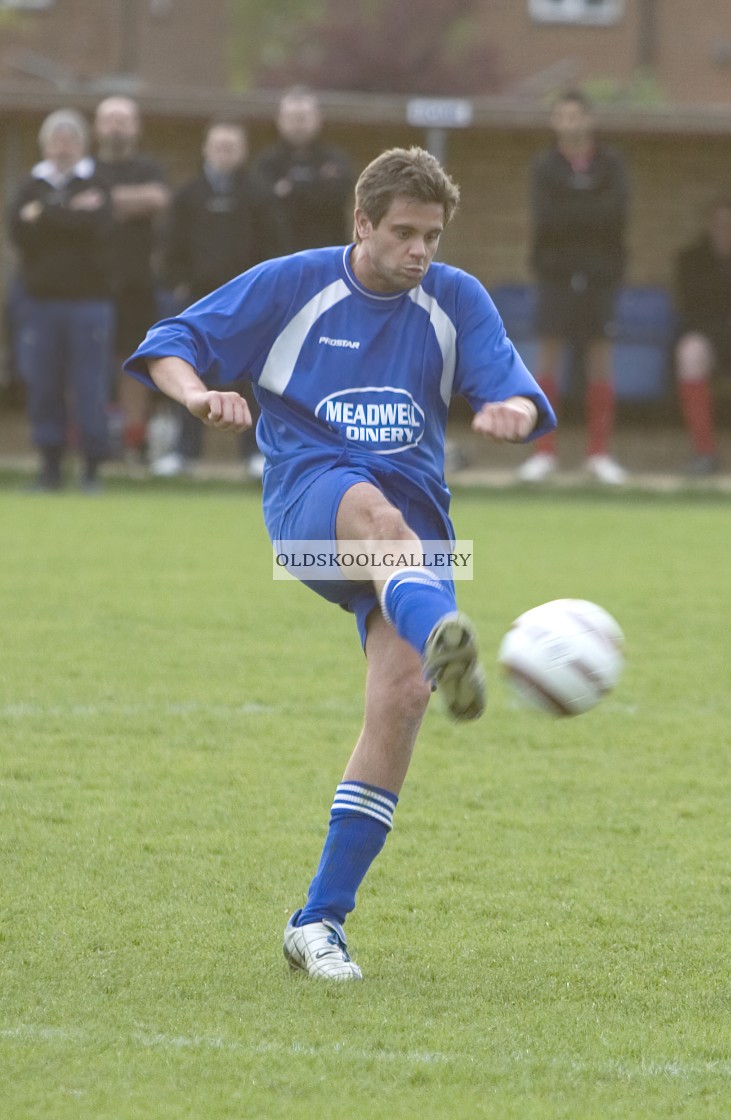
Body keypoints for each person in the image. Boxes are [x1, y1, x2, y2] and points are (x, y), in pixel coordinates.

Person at [124, 146, 556, 980]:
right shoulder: (292, 283)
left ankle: (317, 920)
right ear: (361, 223)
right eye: (401, 233)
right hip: (310, 510)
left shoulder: (455, 297)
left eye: (431, 234)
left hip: (417, 527)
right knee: (373, 512)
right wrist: (196, 395)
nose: (419, 250)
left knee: (399, 700)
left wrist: (505, 410)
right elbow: (170, 340)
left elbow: (512, 388)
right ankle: (447, 635)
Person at [152, 120, 282, 479]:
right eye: (219, 146)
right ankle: (184, 453)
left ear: (242, 151)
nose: (225, 152)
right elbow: (169, 246)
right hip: (198, 302)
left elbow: (274, 246)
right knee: (190, 373)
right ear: (206, 150)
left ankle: (255, 453)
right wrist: (178, 284)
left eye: (232, 146)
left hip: (249, 302)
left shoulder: (258, 195)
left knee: (253, 378)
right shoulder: (188, 195)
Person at [518, 89, 629, 485]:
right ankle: (543, 452)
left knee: (601, 358)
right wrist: (584, 208)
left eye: (577, 116)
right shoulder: (544, 166)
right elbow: (548, 218)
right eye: (562, 117)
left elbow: (612, 214)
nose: (571, 123)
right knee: (548, 359)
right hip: (555, 275)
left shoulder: (612, 164)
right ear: (555, 122)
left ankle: (599, 454)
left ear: (589, 120)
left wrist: (575, 209)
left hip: (601, 276)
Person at [8, 108, 114, 492]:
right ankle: (49, 468)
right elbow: (20, 232)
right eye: (56, 140)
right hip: (39, 303)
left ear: (82, 144)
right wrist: (69, 213)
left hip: (90, 303)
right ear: (44, 145)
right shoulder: (29, 185)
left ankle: (91, 468)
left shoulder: (97, 182)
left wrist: (47, 215)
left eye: (70, 140)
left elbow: (97, 230)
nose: (63, 148)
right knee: (42, 383)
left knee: (90, 384)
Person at [93, 96, 171, 461]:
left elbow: (157, 198)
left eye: (123, 120)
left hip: (137, 285)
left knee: (133, 364)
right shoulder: (85, 167)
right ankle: (87, 441)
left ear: (136, 127)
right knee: (89, 363)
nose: (116, 127)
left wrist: (101, 202)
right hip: (88, 284)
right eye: (109, 120)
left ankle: (132, 444)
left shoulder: (149, 167)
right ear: (97, 127)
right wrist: (127, 203)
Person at [673, 199, 731, 475]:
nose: (724, 231)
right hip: (708, 334)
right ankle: (704, 452)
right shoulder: (692, 259)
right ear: (710, 227)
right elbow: (691, 304)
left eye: (730, 225)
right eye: (719, 225)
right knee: (690, 353)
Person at [252, 86, 354, 253]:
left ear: (318, 119)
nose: (298, 124)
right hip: (279, 258)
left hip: (327, 257)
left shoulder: (335, 160)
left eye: (303, 118)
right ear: (279, 120)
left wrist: (290, 189)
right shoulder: (266, 163)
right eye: (292, 118)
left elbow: (341, 194)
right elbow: (263, 204)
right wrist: (318, 185)